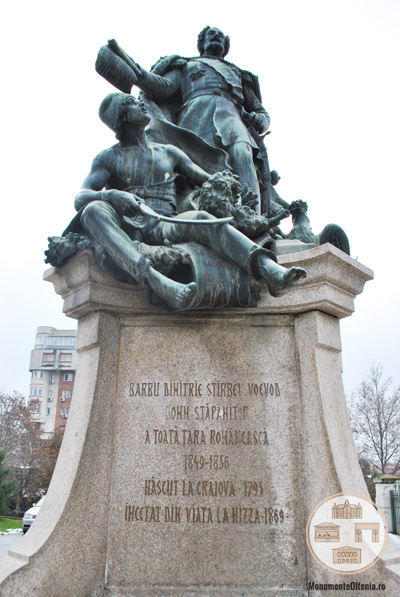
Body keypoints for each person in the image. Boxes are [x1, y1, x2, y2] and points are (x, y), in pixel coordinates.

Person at [72, 93, 306, 310]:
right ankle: (154, 279)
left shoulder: (169, 153)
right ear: (121, 117)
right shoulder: (108, 157)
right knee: (92, 210)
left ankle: (269, 269)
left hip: (165, 223)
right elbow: (80, 197)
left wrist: (236, 191)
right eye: (132, 103)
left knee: (204, 219)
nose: (141, 104)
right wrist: (110, 195)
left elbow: (208, 179)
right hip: (129, 228)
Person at [97, 27, 272, 213]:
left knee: (242, 154)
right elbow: (163, 87)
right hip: (194, 117)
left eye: (220, 36)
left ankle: (252, 214)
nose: (216, 37)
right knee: (191, 168)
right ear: (202, 43)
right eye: (211, 34)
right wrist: (138, 75)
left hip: (232, 116)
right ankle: (198, 212)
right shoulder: (186, 64)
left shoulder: (239, 74)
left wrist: (260, 120)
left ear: (226, 45)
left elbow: (262, 113)